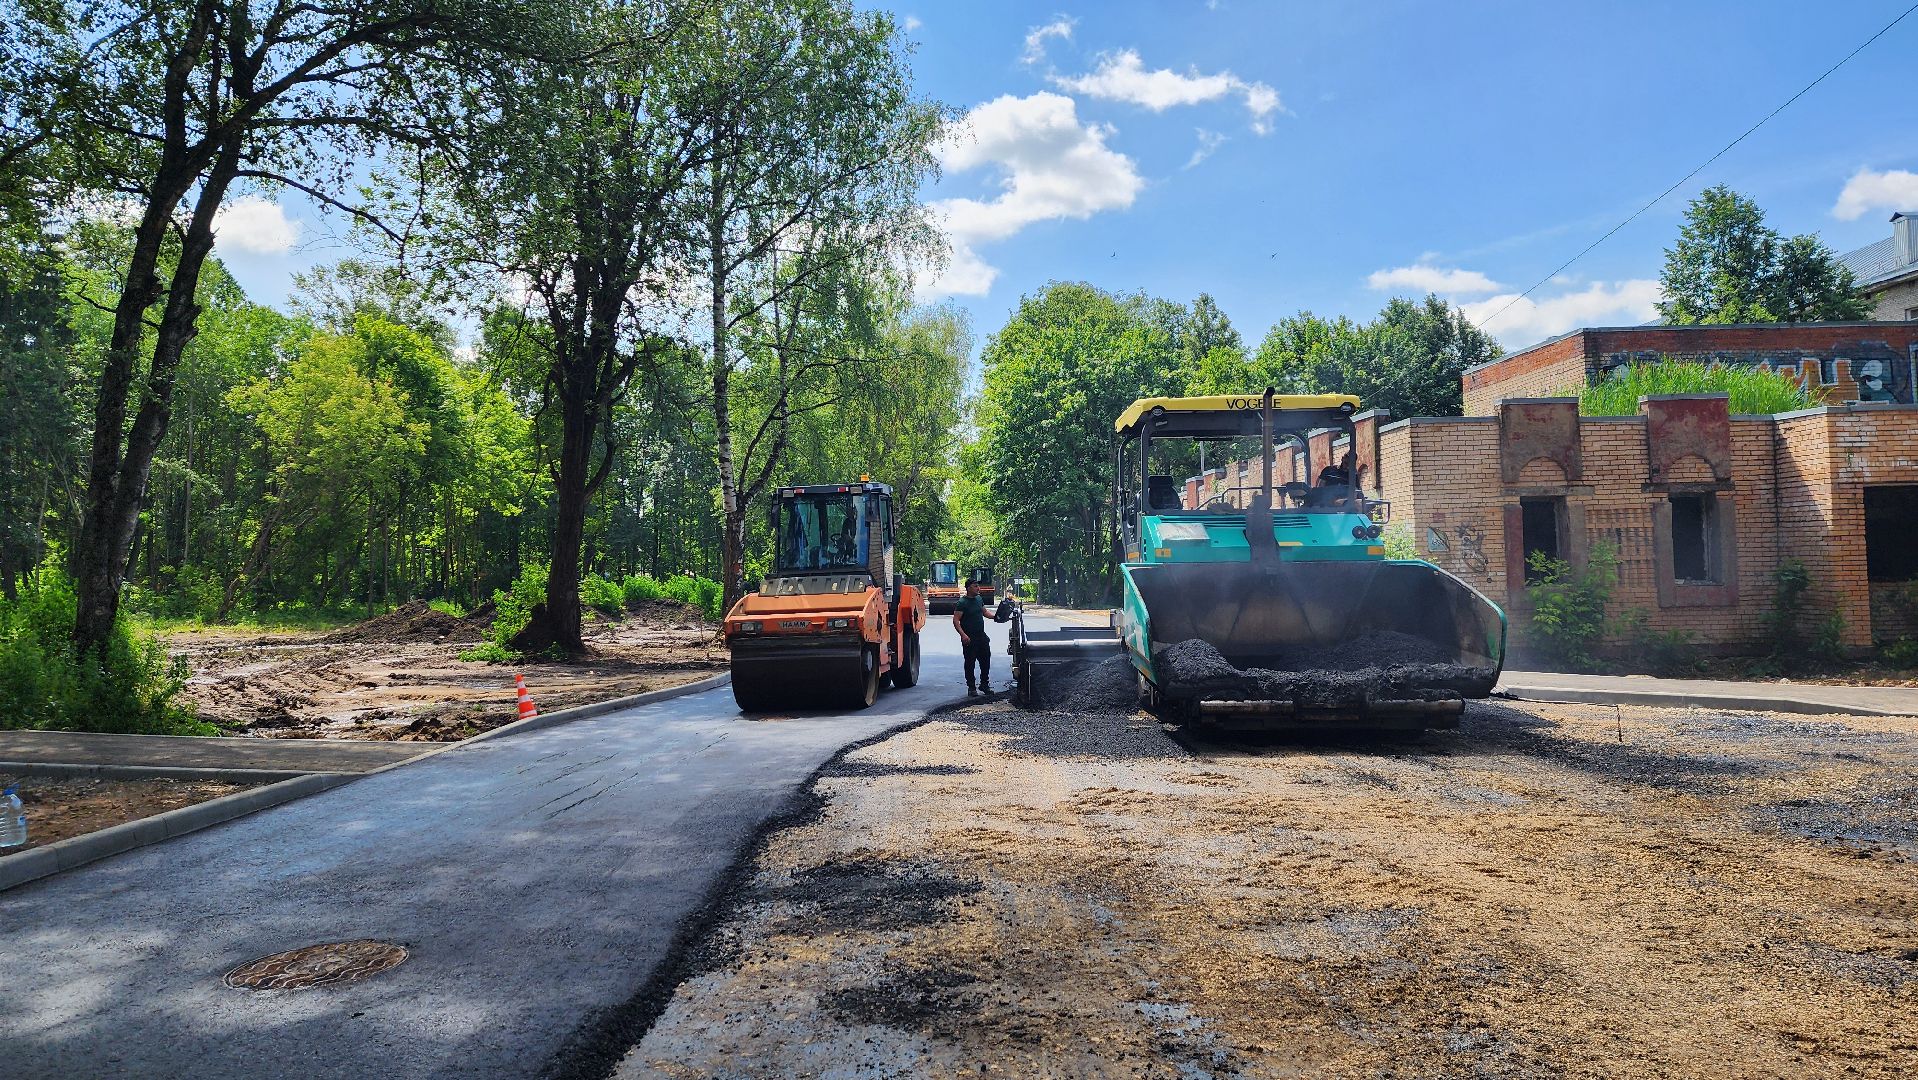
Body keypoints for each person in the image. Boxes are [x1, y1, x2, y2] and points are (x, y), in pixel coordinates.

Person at [954, 578, 993, 694]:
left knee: (985, 661)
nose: (978, 588)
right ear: (968, 588)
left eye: (978, 586)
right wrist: (963, 635)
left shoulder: (979, 599)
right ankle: (971, 687)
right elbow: (956, 620)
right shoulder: (962, 602)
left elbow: (985, 612)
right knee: (970, 663)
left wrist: (996, 617)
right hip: (969, 638)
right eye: (975, 586)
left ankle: (984, 684)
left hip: (981, 636)